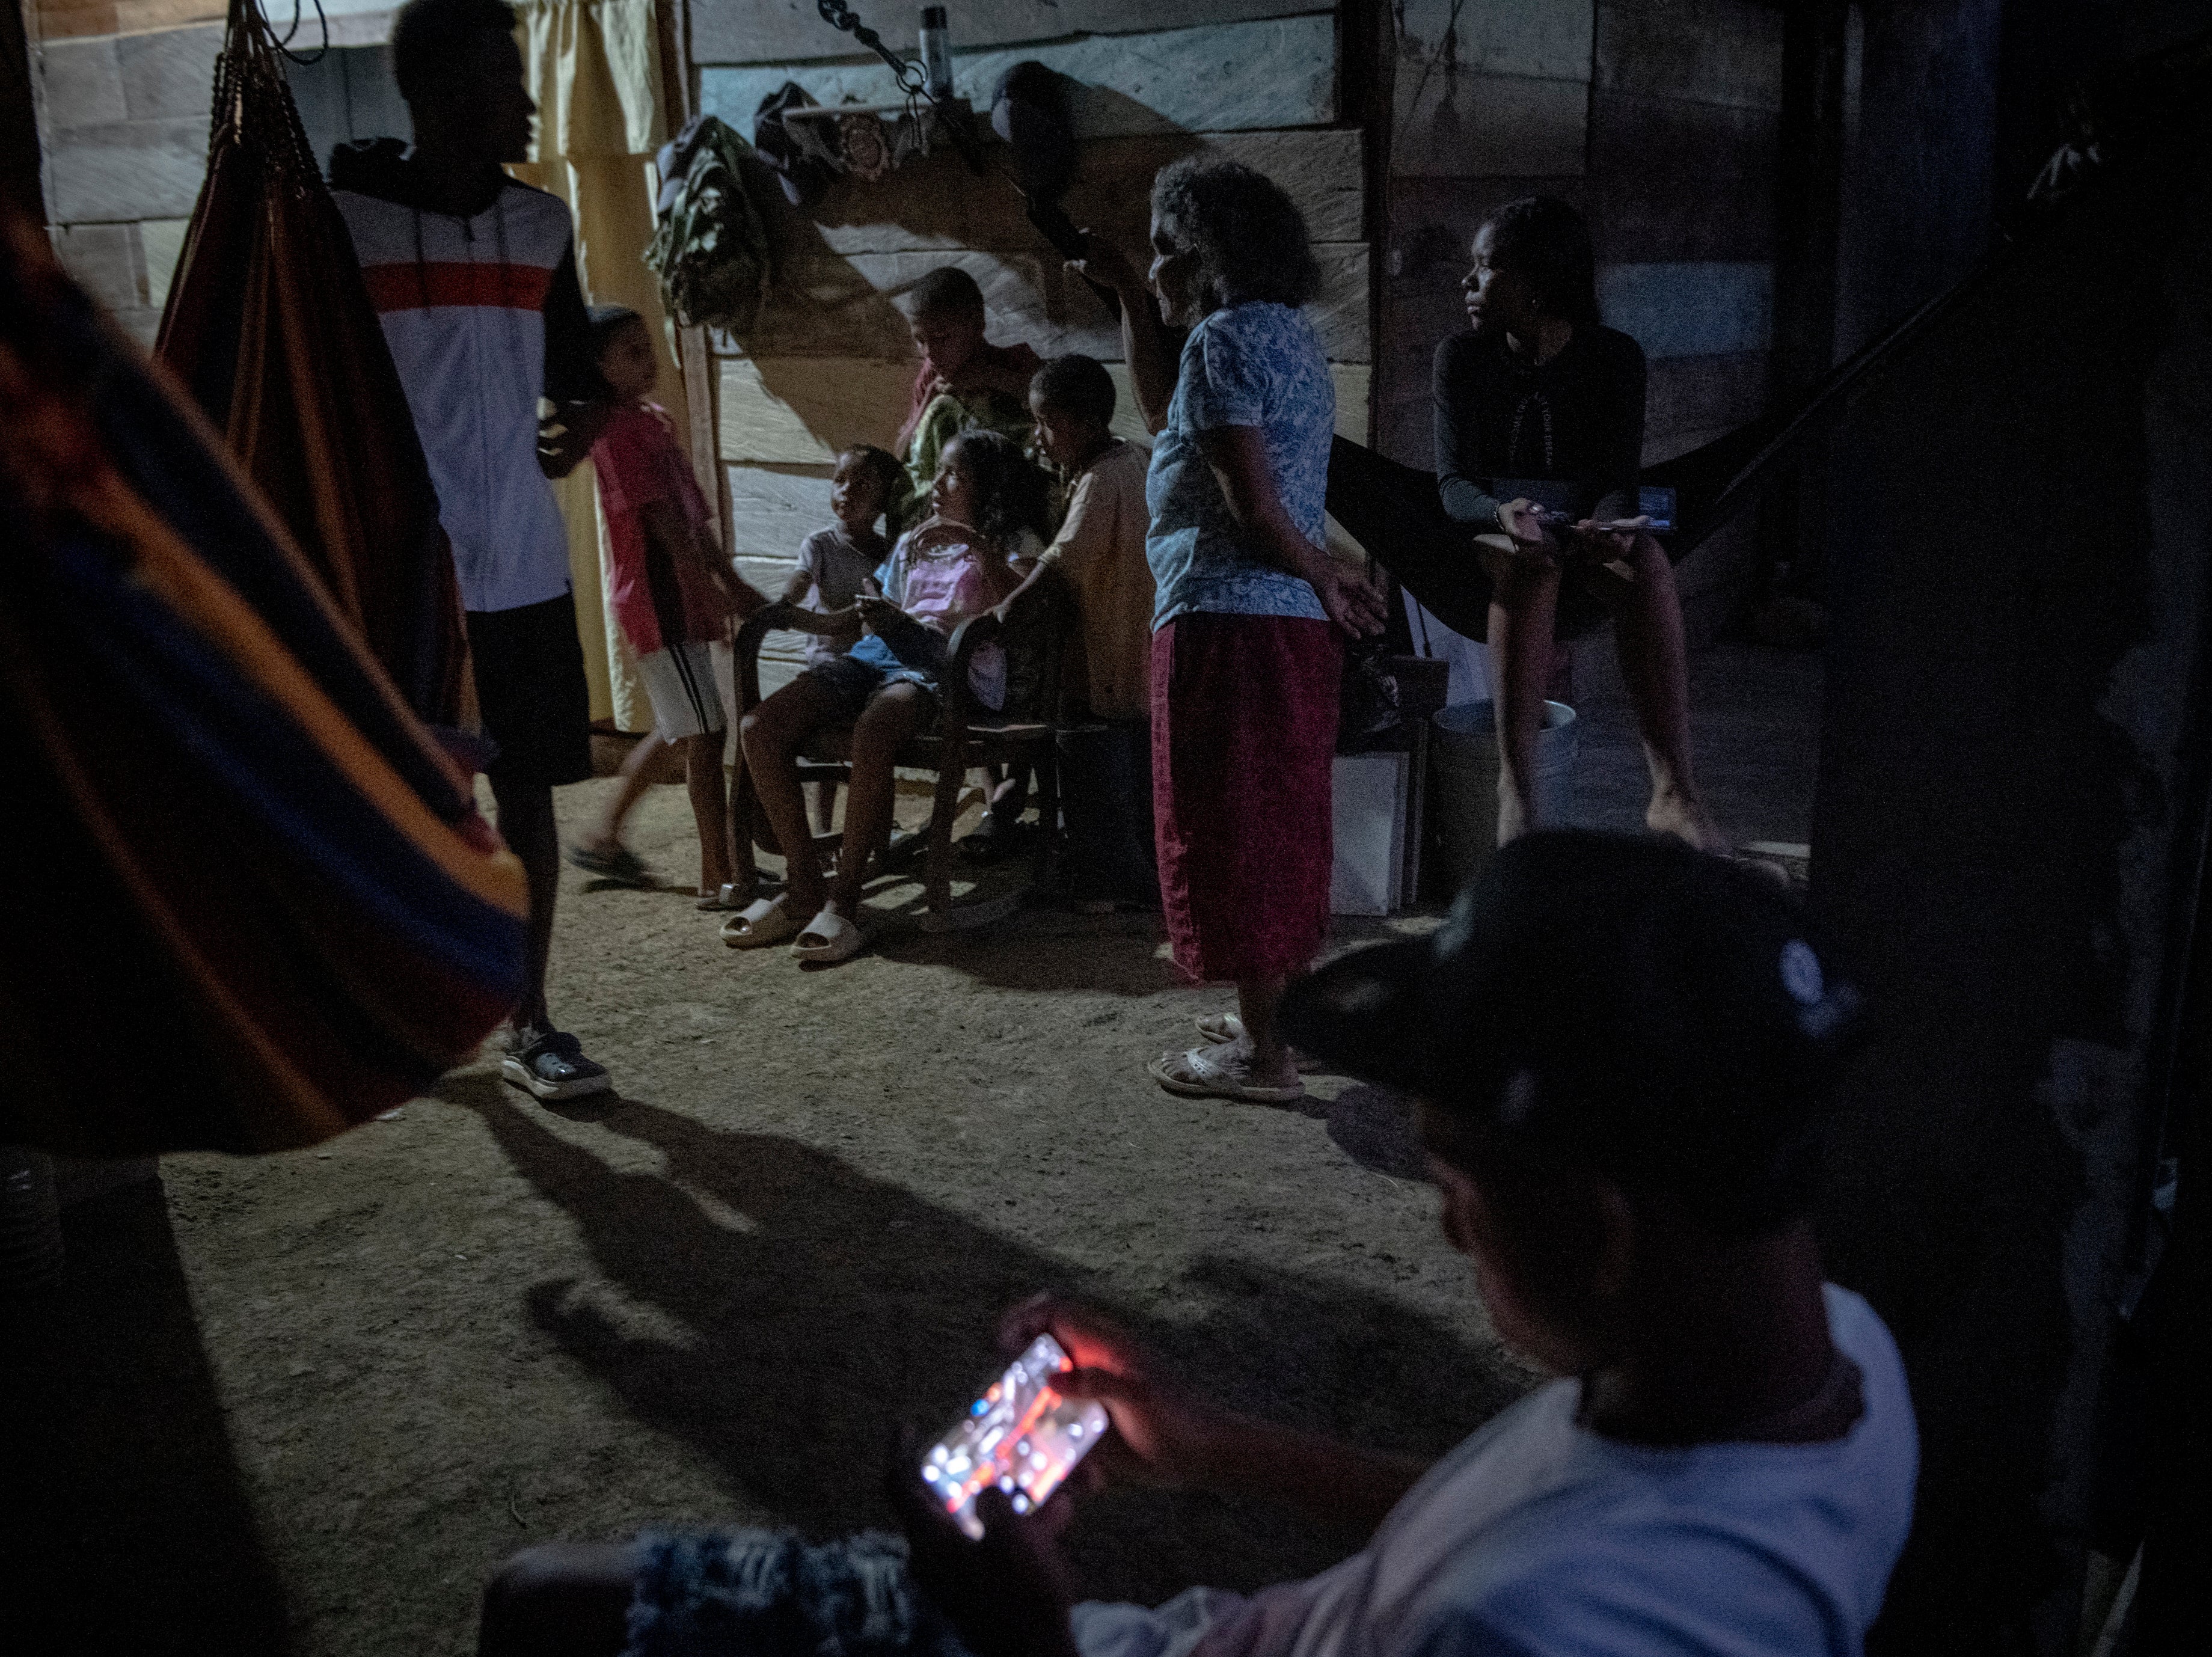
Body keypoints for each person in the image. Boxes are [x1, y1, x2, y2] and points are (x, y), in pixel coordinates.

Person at [475, 831, 1916, 1657]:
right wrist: (1212, 1439)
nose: (1437, 1218)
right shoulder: (1825, 1356)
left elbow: (1523, 1572)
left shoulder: (1537, 1628)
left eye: (1459, 1187)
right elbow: (1524, 1501)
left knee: (547, 1609)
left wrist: (1023, 1628)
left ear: (1601, 1229)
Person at [329, 0, 613, 1100]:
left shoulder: (542, 227)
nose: (530, 99)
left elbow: (580, 380)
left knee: (531, 800)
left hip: (525, 574)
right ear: (440, 93)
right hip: (401, 584)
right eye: (507, 77)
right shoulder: (345, 224)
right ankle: (400, 1009)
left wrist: (576, 423)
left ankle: (531, 1020)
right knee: (399, 809)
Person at [1068, 158, 1386, 1104]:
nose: (1159, 268)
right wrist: (1126, 289)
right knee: (1280, 820)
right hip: (1285, 629)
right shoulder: (1287, 335)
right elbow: (1172, 416)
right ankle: (1281, 1017)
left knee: (1232, 828)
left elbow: (1251, 509)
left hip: (1227, 625)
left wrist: (1325, 569)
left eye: (1165, 253)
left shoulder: (1215, 344)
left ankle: (1264, 1058)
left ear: (1207, 258)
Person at [1436, 196, 1723, 849]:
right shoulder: (1462, 358)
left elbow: (1618, 474)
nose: (1468, 282)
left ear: (1537, 282)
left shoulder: (1613, 357)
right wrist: (1501, 513)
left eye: (1486, 268)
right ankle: (1519, 792)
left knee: (1642, 559)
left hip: (1579, 527)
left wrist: (1611, 522)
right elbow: (1452, 485)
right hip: (1491, 534)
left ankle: (1673, 793)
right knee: (1530, 560)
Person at [723, 430, 1044, 963]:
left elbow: (1024, 609)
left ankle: (844, 902)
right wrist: (877, 609)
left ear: (986, 488)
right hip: (880, 652)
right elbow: (884, 599)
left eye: (953, 475)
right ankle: (804, 886)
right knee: (761, 727)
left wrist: (975, 543)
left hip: (946, 664)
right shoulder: (916, 539)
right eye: (938, 473)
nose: (937, 485)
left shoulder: (1014, 538)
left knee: (875, 726)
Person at [566, 306, 764, 908]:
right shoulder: (615, 432)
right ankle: (718, 872)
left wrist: (727, 577)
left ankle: (604, 837)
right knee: (706, 731)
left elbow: (691, 514)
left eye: (646, 346)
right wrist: (708, 588)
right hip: (658, 599)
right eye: (630, 352)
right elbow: (658, 521)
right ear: (598, 368)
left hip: (679, 593)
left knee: (686, 723)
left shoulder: (654, 422)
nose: (648, 359)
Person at [992, 355, 1158, 909]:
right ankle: (1139, 874)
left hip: (1107, 645)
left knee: (1089, 753)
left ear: (1087, 424)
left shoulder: (1100, 477)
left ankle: (1105, 880)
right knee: (1136, 760)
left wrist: (1006, 610)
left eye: (1048, 424)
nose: (1039, 439)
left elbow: (1062, 560)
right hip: (1140, 639)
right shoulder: (1137, 457)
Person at [766, 444, 904, 857]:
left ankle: (877, 834)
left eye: (861, 484)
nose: (846, 491)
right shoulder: (820, 544)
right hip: (829, 663)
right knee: (822, 758)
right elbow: (799, 582)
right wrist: (784, 605)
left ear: (883, 500)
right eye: (840, 481)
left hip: (875, 669)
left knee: (878, 740)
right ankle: (824, 832)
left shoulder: (888, 553)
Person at [893, 266, 1043, 533]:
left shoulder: (1016, 363)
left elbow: (1053, 413)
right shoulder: (930, 379)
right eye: (920, 341)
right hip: (946, 511)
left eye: (941, 338)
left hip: (1009, 509)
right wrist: (929, 401)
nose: (930, 353)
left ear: (977, 325)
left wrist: (992, 378)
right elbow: (903, 453)